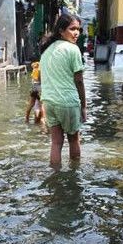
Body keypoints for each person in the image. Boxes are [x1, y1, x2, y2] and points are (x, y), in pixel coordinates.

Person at [39, 14, 86, 167]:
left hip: (49, 102)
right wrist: (84, 106)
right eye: (72, 29)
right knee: (74, 140)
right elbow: (79, 80)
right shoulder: (73, 49)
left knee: (56, 143)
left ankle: (55, 177)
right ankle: (75, 175)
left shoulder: (46, 51)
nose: (76, 33)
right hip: (67, 102)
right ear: (61, 30)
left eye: (78, 29)